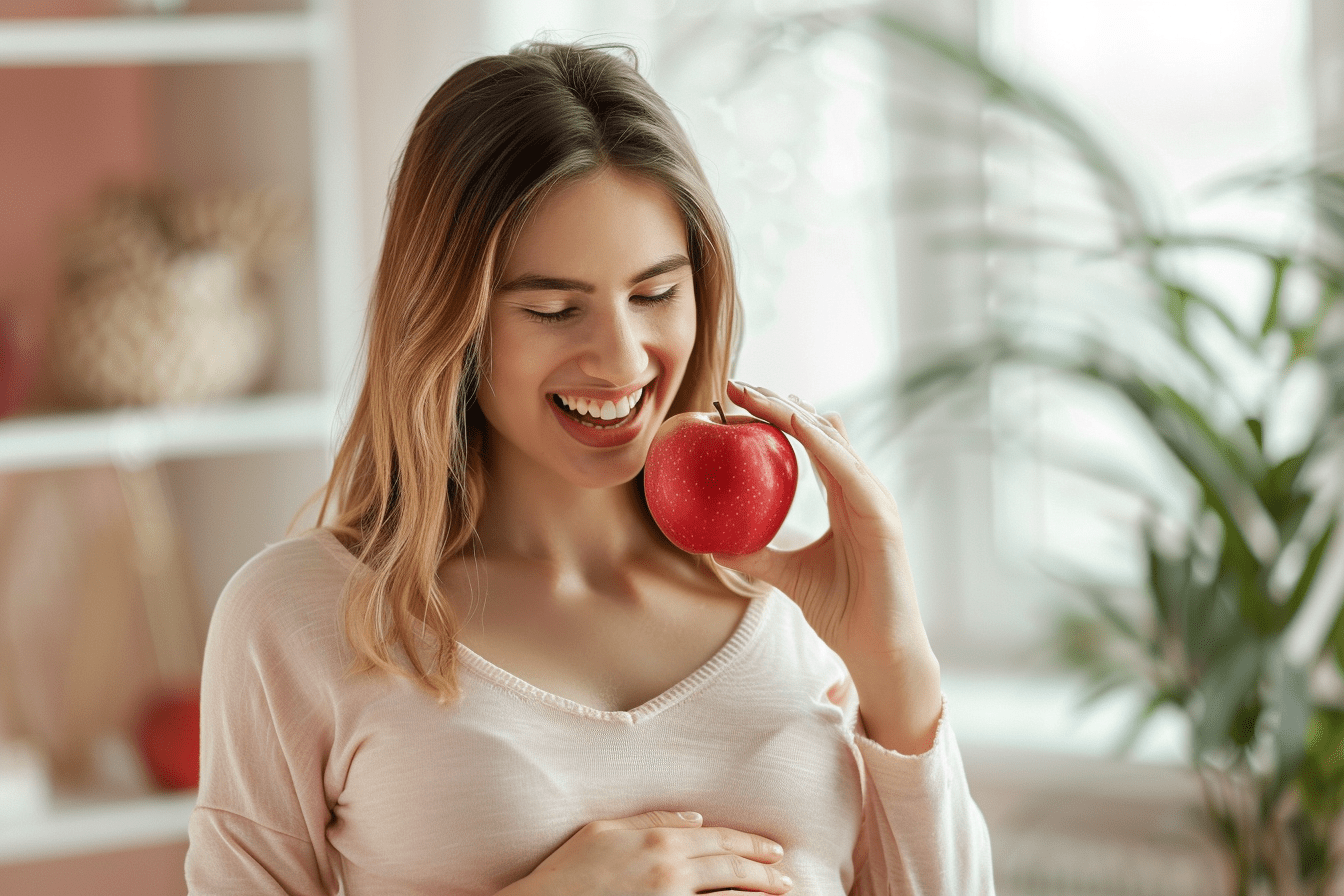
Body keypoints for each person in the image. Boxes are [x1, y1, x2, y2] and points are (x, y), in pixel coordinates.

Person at [184, 40, 995, 896]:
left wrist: (896, 668)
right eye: (553, 309)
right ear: (449, 320)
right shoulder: (300, 618)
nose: (622, 359)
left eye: (655, 295)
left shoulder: (803, 596)